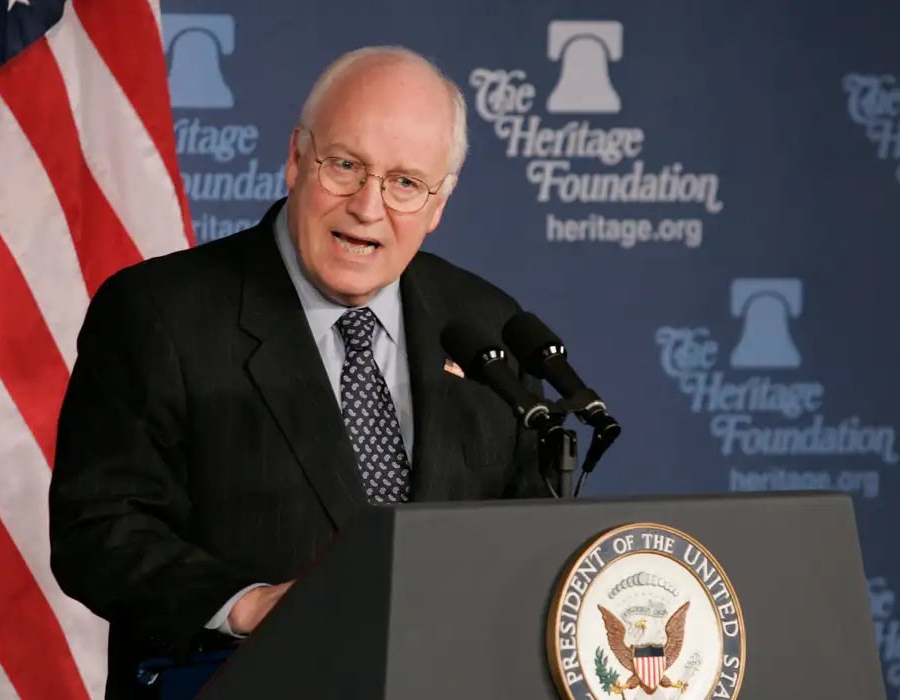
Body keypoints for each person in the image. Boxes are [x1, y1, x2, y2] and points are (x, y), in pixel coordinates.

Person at [48, 45, 552, 698]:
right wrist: (246, 605)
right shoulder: (158, 313)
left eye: (405, 183)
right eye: (345, 166)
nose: (368, 206)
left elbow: (526, 535)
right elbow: (99, 530)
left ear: (439, 204)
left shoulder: (487, 325)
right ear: (295, 158)